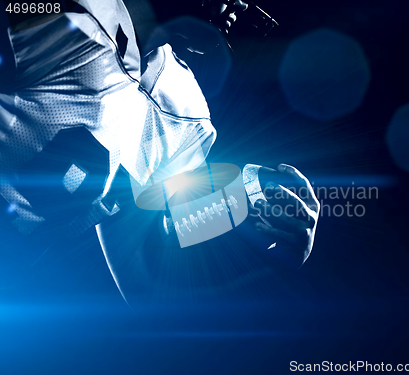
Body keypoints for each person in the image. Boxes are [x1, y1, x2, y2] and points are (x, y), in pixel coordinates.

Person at [0, 0, 319, 304]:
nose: (241, 7)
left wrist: (246, 223)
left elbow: (145, 286)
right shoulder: (66, 17)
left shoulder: (182, 111)